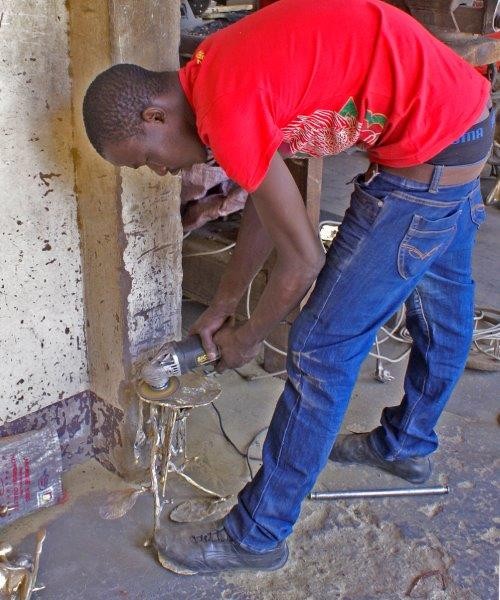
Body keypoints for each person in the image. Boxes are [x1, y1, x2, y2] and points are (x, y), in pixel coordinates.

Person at [82, 0, 493, 575]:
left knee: (321, 347)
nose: (160, 172)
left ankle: (257, 535)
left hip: (427, 159)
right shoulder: (213, 70)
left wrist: (249, 337)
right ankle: (407, 446)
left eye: (147, 159)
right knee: (443, 304)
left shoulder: (224, 107)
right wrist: (225, 303)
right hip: (462, 123)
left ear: (155, 116)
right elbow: (268, 197)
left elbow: (302, 261)